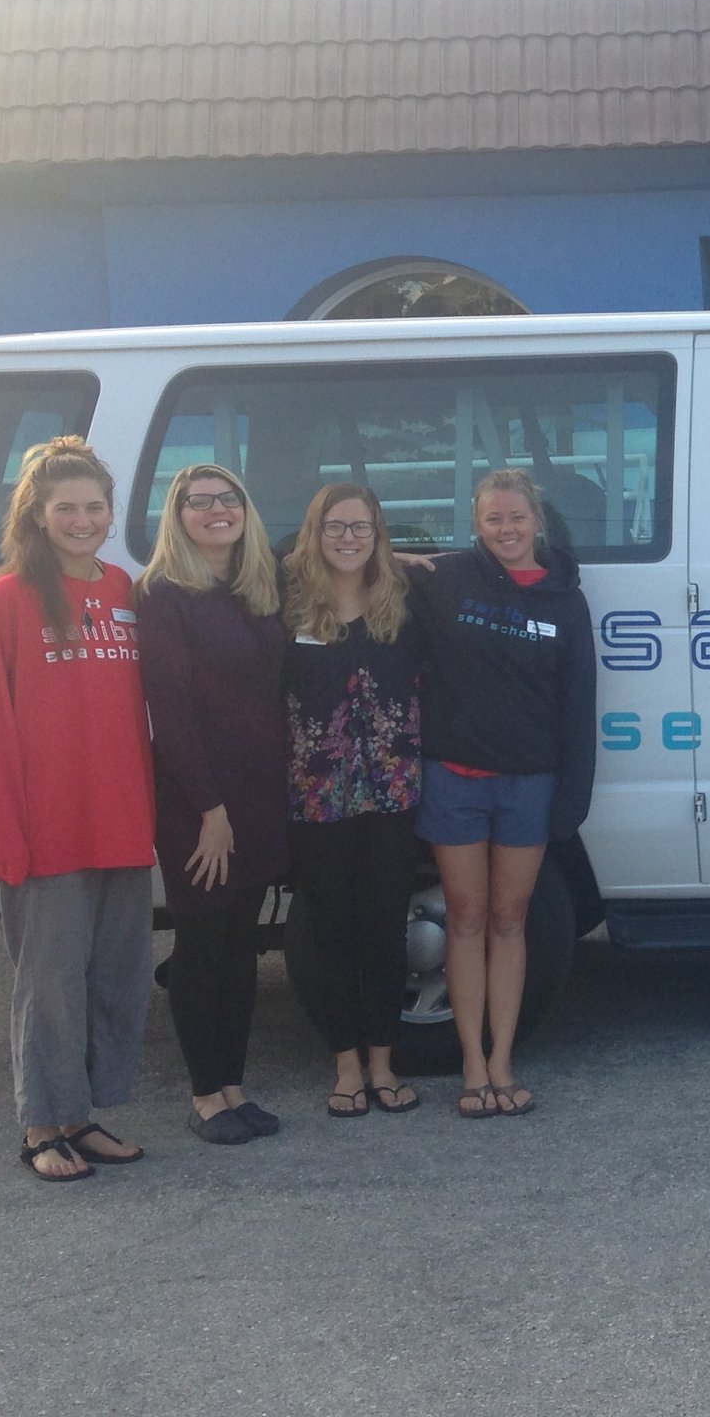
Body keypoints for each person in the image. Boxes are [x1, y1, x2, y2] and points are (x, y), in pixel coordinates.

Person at [0, 436, 154, 1182]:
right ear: (37, 516)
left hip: (122, 822)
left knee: (113, 978)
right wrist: (4, 836)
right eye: (65, 507)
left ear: (111, 512)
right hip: (47, 830)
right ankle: (41, 1125)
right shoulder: (7, 598)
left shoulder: (122, 589)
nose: (81, 519)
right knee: (51, 986)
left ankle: (81, 1116)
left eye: (93, 506)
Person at [404, 468, 596, 1118]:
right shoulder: (449, 578)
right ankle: (470, 1063)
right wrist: (403, 553)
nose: (506, 530)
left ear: (537, 522)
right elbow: (333, 552)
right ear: (475, 525)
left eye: (516, 518)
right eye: (493, 520)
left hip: (530, 782)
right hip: (454, 778)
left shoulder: (567, 599)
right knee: (464, 918)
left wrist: (572, 797)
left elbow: (579, 704)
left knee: (510, 922)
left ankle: (503, 1060)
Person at [138, 462, 291, 1142]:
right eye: (198, 502)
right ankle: (206, 1096)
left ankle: (234, 1086)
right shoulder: (164, 595)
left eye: (227, 498)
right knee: (202, 947)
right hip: (200, 807)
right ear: (178, 515)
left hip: (258, 796)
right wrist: (210, 809)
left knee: (240, 948)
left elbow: (345, 544)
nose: (215, 510)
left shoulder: (256, 586)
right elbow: (169, 716)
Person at [282, 483, 424, 1119]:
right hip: (317, 799)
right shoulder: (286, 610)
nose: (347, 538)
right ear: (314, 534)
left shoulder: (405, 602)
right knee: (330, 932)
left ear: (378, 534)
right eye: (334, 527)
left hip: (392, 795)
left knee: (385, 930)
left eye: (360, 527)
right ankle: (345, 1068)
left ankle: (383, 1063)